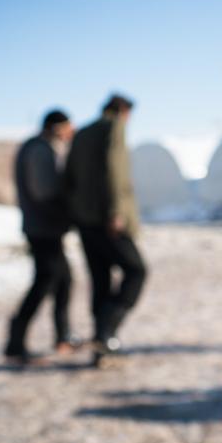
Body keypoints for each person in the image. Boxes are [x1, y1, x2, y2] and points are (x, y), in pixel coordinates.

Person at [66, 94, 146, 366]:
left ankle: (101, 347)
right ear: (123, 111)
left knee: (99, 280)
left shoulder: (81, 133)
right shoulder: (114, 127)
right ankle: (107, 331)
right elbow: (114, 169)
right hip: (109, 220)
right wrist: (116, 212)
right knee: (136, 270)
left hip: (85, 220)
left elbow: (70, 177)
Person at [4, 109, 79, 364]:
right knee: (44, 282)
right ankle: (16, 341)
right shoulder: (40, 150)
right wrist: (67, 213)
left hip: (45, 227)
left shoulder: (39, 147)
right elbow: (44, 192)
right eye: (69, 128)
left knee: (63, 280)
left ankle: (63, 335)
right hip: (42, 229)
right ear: (58, 128)